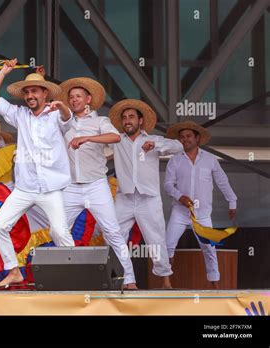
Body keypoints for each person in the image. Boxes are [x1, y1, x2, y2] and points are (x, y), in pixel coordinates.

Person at [0, 58, 75, 287]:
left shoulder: (56, 113)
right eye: (27, 92)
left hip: (50, 188)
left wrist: (61, 105)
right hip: (24, 188)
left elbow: (68, 117)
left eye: (34, 91)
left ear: (45, 94)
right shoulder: (20, 115)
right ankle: (13, 271)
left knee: (60, 232)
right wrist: (4, 72)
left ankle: (75, 276)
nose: (29, 95)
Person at [59, 77, 137, 289]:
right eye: (71, 97)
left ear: (88, 99)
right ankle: (70, 277)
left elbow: (115, 137)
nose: (74, 100)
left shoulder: (100, 121)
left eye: (78, 96)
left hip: (96, 185)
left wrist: (88, 138)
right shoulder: (63, 122)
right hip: (71, 187)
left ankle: (129, 280)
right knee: (58, 231)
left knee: (112, 232)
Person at [108, 99, 183, 288]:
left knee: (156, 239)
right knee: (115, 236)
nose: (127, 121)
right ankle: (127, 280)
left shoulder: (152, 139)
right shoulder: (116, 140)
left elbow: (179, 146)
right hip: (124, 198)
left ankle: (166, 280)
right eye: (124, 118)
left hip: (148, 199)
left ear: (140, 121)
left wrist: (155, 146)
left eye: (131, 117)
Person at [164, 120, 237, 289]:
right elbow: (168, 184)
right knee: (168, 245)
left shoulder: (210, 160)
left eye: (188, 136)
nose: (185, 140)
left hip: (203, 214)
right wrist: (179, 196)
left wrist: (232, 201)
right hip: (180, 212)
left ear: (197, 138)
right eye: (182, 137)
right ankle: (166, 283)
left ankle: (215, 287)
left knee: (209, 250)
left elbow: (222, 181)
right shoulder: (174, 160)